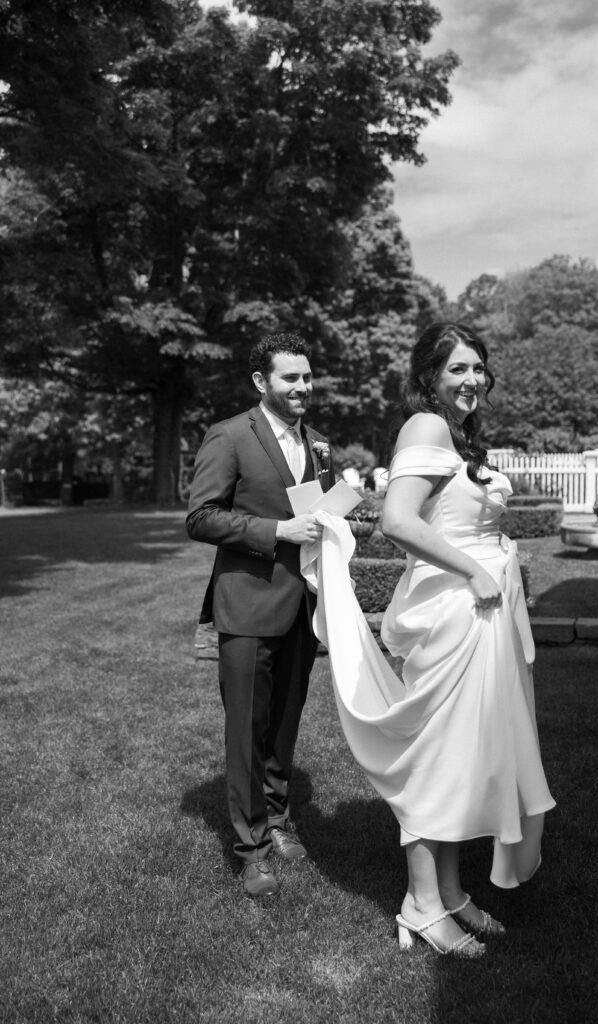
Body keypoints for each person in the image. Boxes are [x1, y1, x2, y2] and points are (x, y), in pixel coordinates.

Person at [300, 321, 555, 957]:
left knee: (463, 757)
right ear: (429, 379)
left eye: (478, 368)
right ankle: (419, 904)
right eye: (457, 370)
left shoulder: (456, 433)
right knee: (438, 758)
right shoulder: (426, 428)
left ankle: (450, 893)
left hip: (481, 614)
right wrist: (473, 568)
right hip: (455, 613)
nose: (472, 380)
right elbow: (396, 518)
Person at [186, 333, 335, 898]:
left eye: (307, 376)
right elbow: (201, 517)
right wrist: (277, 532)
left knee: (284, 723)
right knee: (247, 728)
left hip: (302, 605)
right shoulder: (228, 436)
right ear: (260, 383)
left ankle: (277, 818)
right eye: (291, 378)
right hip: (247, 605)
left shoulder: (319, 443)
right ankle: (250, 848)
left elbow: (317, 514)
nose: (304, 387)